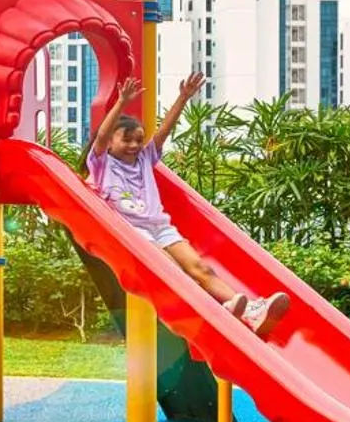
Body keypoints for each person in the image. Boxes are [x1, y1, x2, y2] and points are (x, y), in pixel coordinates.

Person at [84, 72, 288, 337]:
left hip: (160, 227)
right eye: (126, 140)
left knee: (200, 268)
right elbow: (100, 136)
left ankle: (247, 310)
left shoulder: (145, 159)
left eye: (138, 139)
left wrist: (183, 97)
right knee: (172, 269)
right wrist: (121, 103)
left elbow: (164, 131)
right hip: (133, 232)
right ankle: (215, 315)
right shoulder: (101, 164)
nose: (134, 145)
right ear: (111, 141)